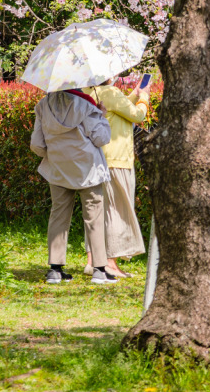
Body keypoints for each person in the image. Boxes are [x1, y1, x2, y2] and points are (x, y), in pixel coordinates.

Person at [30, 88, 116, 285]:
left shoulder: (43, 105)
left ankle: (55, 270)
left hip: (58, 169)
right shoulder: (87, 104)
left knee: (58, 215)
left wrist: (56, 154)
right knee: (94, 217)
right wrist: (102, 116)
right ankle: (99, 270)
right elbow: (101, 138)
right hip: (88, 170)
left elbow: (37, 144)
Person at [83, 79, 149, 277]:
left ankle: (92, 261)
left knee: (97, 211)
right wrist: (144, 96)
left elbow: (114, 111)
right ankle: (110, 263)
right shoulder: (111, 92)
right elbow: (137, 115)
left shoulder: (87, 91)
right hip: (116, 160)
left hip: (96, 159)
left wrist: (133, 95)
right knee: (116, 210)